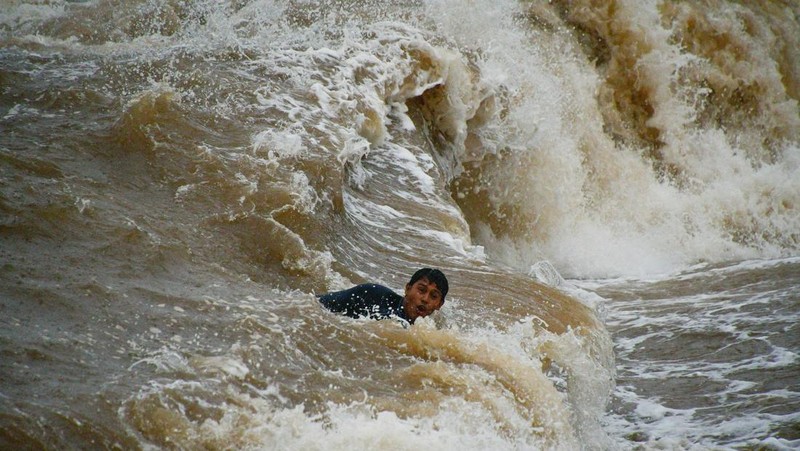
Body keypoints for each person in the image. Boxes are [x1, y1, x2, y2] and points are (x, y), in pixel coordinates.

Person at [317, 268, 448, 325]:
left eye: (433, 296)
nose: (425, 299)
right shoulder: (371, 295)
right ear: (408, 289)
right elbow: (316, 304)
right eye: (421, 290)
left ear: (439, 305)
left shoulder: (432, 329)